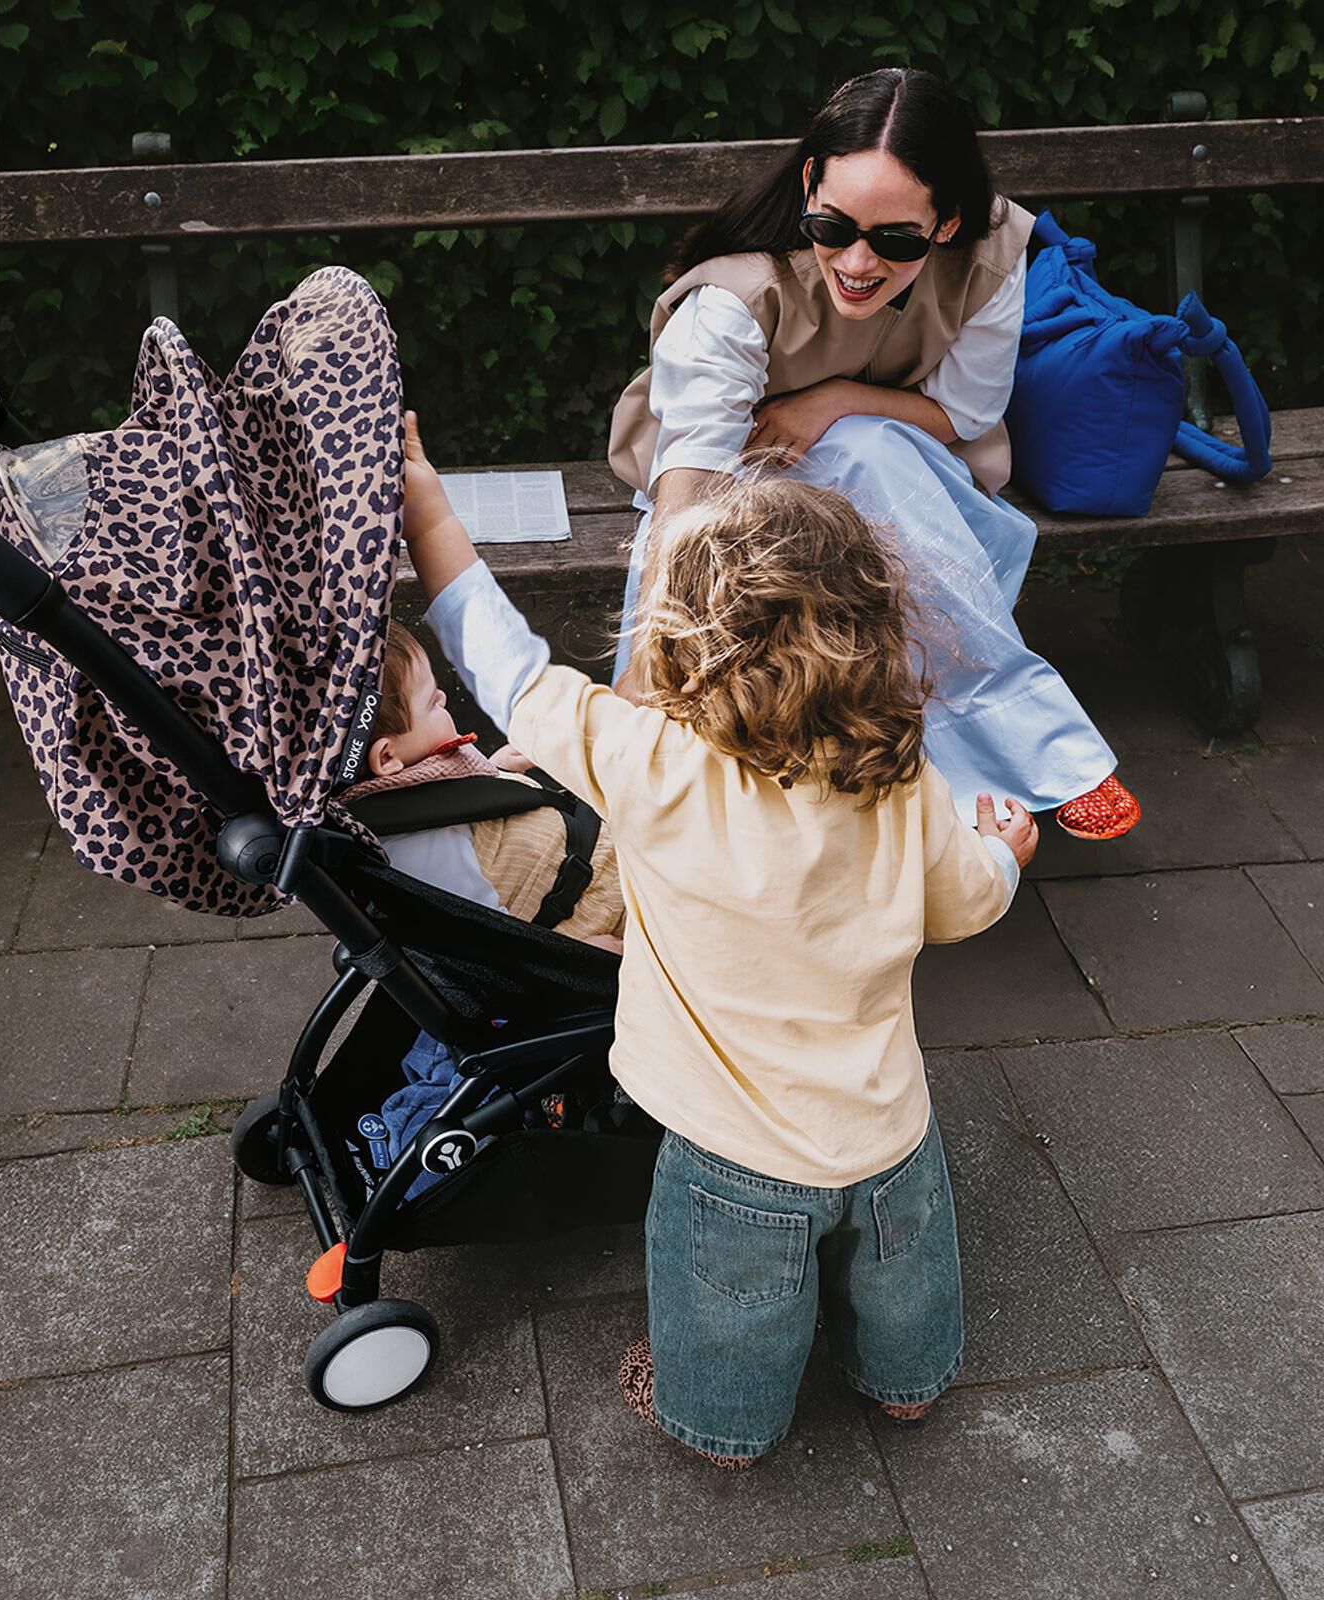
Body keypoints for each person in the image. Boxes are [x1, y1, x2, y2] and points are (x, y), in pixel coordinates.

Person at [399, 407, 1038, 1470]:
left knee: (728, 1312)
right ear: (876, 630)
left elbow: (502, 663)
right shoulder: (898, 777)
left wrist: (429, 510)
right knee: (903, 1273)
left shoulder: (652, 766)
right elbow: (964, 901)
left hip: (732, 1155)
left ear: (681, 644)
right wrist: (1007, 851)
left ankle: (726, 1424)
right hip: (888, 1129)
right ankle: (907, 1384)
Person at [607, 66, 1139, 842]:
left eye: (895, 240)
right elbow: (692, 485)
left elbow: (965, 411)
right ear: (810, 187)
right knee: (847, 475)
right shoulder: (734, 298)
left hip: (907, 478)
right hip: (741, 486)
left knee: (867, 448)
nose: (858, 263)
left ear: (948, 223)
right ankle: (1035, 751)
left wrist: (833, 402)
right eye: (833, 228)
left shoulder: (991, 255)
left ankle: (985, 772)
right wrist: (648, 662)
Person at [340, 619, 625, 949]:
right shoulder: (418, 846)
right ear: (387, 758)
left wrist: (494, 771)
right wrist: (589, 957)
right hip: (605, 914)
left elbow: (455, 810)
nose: (444, 699)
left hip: (599, 863)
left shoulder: (402, 803)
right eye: (432, 702)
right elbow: (490, 942)